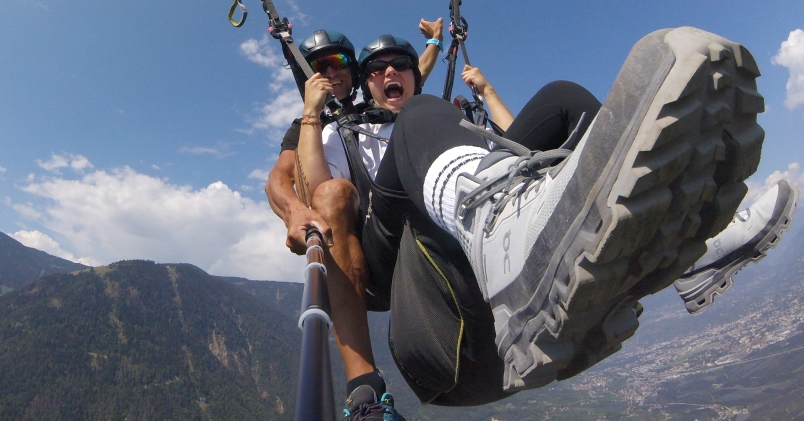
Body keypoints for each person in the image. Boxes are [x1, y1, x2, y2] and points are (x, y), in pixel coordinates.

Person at [297, 26, 781, 406]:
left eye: (398, 66)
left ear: (413, 72)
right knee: (419, 118)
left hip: (460, 233)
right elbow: (323, 193)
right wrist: (313, 114)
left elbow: (516, 146)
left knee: (562, 98)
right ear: (366, 85)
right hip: (408, 276)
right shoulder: (349, 135)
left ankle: (686, 249)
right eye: (376, 70)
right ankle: (503, 245)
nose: (387, 74)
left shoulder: (448, 125)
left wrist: (486, 93)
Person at [264, 23, 443, 420]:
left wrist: (434, 42)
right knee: (334, 193)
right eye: (317, 65)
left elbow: (409, 76)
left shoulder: (377, 105)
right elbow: (279, 179)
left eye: (339, 61)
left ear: (355, 72)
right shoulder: (309, 126)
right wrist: (296, 212)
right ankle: (364, 391)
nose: (330, 71)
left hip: (403, 223)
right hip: (358, 239)